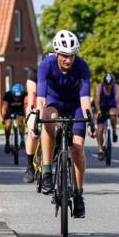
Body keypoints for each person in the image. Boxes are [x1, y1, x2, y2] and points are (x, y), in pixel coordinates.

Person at [36, 30, 94, 218]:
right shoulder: (46, 65)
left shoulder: (82, 66)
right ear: (56, 53)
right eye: (64, 56)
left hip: (75, 105)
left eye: (72, 55)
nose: (68, 60)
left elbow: (85, 99)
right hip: (54, 102)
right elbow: (41, 99)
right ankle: (47, 171)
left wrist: (90, 120)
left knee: (77, 148)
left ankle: (78, 195)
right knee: (48, 118)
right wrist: (37, 117)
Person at [93, 73, 119, 161]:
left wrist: (118, 111)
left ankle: (114, 131)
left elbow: (118, 101)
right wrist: (98, 111)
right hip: (101, 107)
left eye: (110, 84)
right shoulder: (99, 87)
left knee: (113, 113)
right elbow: (96, 101)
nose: (108, 86)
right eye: (106, 84)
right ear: (103, 83)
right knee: (100, 129)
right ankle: (100, 149)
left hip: (111, 106)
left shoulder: (116, 87)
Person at [1, 83, 27, 154]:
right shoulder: (7, 95)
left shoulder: (25, 94)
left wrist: (27, 116)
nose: (17, 98)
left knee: (21, 121)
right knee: (8, 124)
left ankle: (22, 140)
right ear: (12, 94)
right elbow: (4, 107)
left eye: (19, 97)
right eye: (15, 96)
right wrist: (3, 118)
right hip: (10, 110)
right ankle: (7, 141)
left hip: (20, 110)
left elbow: (26, 106)